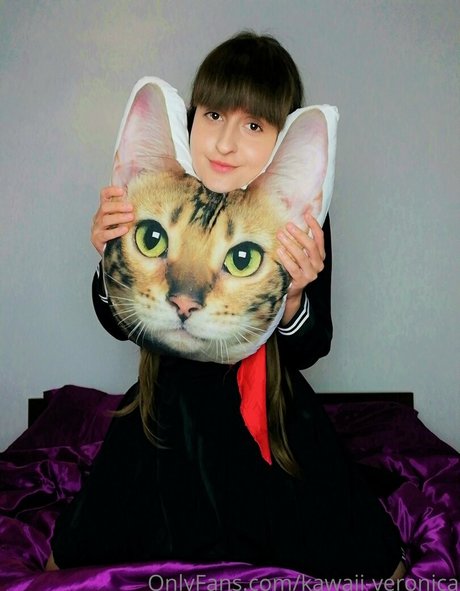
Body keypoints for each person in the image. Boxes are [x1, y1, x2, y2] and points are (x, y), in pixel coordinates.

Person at [47, 32, 404, 579]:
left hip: (264, 403)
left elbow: (311, 347)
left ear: (283, 139)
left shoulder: (291, 214)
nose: (225, 143)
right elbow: (118, 323)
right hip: (166, 402)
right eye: (213, 115)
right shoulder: (162, 189)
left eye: (254, 126)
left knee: (351, 541)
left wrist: (295, 296)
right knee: (85, 540)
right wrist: (110, 258)